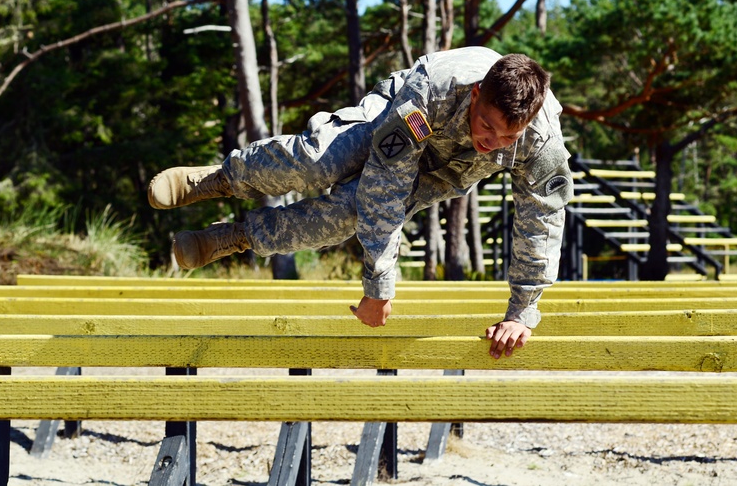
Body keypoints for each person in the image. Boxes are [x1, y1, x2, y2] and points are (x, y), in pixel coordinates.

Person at [149, 47, 573, 358]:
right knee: (319, 161)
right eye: (487, 127)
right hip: (394, 112)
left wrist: (522, 312)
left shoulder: (543, 143)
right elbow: (385, 184)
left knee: (348, 213)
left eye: (507, 139)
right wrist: (379, 285)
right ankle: (221, 179)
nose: (492, 144)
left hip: (444, 171)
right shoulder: (434, 91)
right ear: (478, 93)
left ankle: (238, 236)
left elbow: (542, 222)